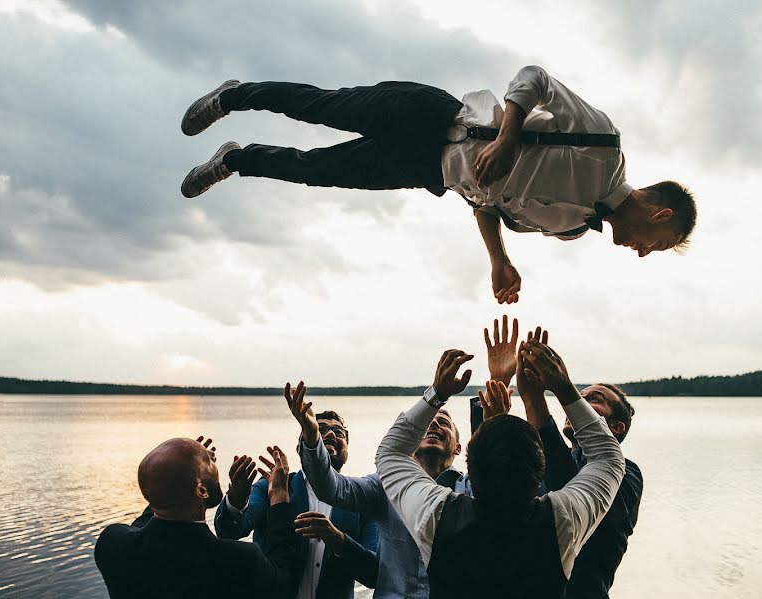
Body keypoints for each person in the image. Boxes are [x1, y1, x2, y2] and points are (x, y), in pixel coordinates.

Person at [179, 66, 697, 304]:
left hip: (426, 174)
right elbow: (534, 78)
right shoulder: (604, 147)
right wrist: (511, 137)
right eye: (659, 245)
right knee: (318, 106)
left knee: (313, 170)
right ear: (660, 215)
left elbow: (487, 203)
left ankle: (236, 160)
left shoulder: (571, 229)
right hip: (430, 117)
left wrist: (497, 259)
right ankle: (235, 94)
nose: (644, 253)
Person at [375, 345, 626, 599]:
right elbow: (608, 459)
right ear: (540, 472)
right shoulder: (561, 521)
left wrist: (437, 394)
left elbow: (391, 453)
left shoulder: (437, 516)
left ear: (470, 468)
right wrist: (562, 386)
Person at [474, 317, 643, 598]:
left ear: (615, 427)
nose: (578, 401)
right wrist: (499, 382)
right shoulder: (542, 461)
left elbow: (568, 501)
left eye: (594, 399)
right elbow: (490, 483)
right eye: (579, 395)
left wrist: (543, 396)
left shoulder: (627, 474)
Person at [287, 380, 472, 599]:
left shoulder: (469, 490)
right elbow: (331, 488)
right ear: (411, 442)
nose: (433, 425)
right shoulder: (383, 486)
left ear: (458, 448)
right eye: (428, 422)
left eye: (443, 423)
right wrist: (311, 435)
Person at [94, 436, 301, 599]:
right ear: (201, 491)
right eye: (209, 461)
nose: (213, 459)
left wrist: (177, 468)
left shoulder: (112, 543)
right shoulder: (238, 560)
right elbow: (286, 583)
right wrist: (279, 496)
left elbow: (156, 503)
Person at [214, 404, 378, 599]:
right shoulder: (274, 484)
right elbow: (229, 531)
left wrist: (337, 539)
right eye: (320, 430)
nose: (331, 435)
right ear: (301, 447)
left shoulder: (361, 499)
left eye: (338, 432)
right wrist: (237, 499)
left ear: (347, 452)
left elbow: (374, 574)